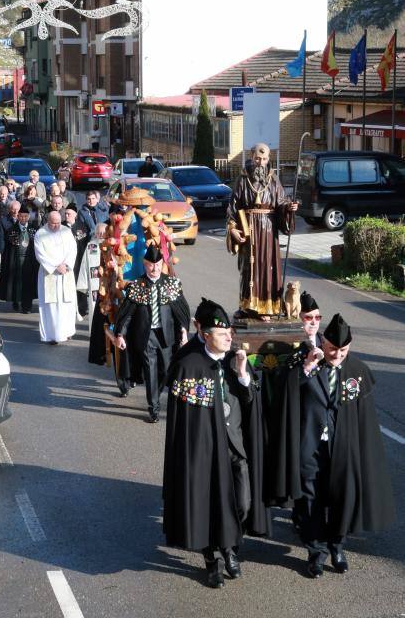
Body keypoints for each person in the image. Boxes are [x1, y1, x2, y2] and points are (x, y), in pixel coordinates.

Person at [270, 313, 395, 578]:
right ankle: (316, 552)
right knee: (310, 502)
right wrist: (305, 369)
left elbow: (365, 419)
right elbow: (284, 391)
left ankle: (337, 547)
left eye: (343, 350)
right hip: (310, 447)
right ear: (323, 343)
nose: (337, 355)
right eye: (332, 349)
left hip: (344, 449)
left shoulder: (357, 371)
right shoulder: (304, 363)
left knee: (341, 499)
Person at [163, 298, 269, 589]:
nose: (229, 338)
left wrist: (244, 375)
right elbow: (184, 420)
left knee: (242, 503)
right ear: (205, 334)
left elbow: (249, 401)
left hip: (235, 447)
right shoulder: (188, 364)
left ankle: (231, 546)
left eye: (230, 333)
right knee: (208, 508)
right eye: (222, 334)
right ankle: (214, 562)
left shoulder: (236, 358)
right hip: (206, 452)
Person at [114, 245, 190, 421]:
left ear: (162, 263)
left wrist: (184, 332)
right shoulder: (137, 286)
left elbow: (181, 312)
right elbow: (127, 314)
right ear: (145, 264)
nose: (154, 268)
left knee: (166, 371)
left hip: (167, 336)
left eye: (158, 264)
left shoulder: (172, 284)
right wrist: (120, 334)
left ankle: (158, 392)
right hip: (146, 336)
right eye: (150, 265)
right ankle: (153, 407)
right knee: (150, 372)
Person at [226, 142, 297, 319]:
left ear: (268, 159)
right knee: (248, 267)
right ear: (252, 157)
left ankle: (267, 307)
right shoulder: (242, 180)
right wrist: (232, 229)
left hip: (268, 229)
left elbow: (281, 202)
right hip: (248, 230)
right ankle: (247, 306)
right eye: (258, 158)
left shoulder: (274, 179)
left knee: (268, 266)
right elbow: (233, 208)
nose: (260, 162)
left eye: (264, 159)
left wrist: (289, 207)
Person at [33, 211, 77, 344]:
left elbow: (73, 249)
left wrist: (67, 264)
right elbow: (40, 254)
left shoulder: (66, 231)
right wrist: (55, 266)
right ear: (48, 221)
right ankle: (52, 335)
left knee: (66, 302)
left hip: (66, 272)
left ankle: (67, 331)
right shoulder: (40, 234)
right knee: (51, 304)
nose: (56, 226)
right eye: (53, 223)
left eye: (58, 223)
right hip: (49, 273)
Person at [0, 204, 38, 312]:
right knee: (17, 283)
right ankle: (16, 301)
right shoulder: (12, 230)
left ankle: (27, 306)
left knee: (28, 284)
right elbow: (6, 246)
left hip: (30, 261)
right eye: (21, 216)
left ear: (28, 217)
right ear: (18, 217)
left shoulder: (34, 229)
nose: (23, 218)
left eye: (25, 216)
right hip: (16, 261)